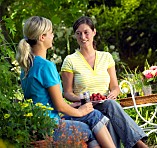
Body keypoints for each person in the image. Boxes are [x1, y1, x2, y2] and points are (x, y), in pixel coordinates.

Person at [16, 16, 116, 148]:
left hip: (39, 123)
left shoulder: (27, 66)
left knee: (93, 115)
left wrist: (77, 106)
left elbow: (45, 103)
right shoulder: (46, 66)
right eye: (51, 33)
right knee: (90, 123)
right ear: (42, 37)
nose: (53, 36)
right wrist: (80, 111)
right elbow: (60, 107)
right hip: (52, 126)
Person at [61, 16, 148, 148]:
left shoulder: (106, 57)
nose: (83, 37)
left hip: (106, 103)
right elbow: (67, 93)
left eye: (86, 32)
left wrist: (113, 93)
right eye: (78, 34)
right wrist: (82, 98)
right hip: (85, 107)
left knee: (109, 104)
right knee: (110, 106)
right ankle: (138, 144)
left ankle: (137, 144)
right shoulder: (70, 60)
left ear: (94, 32)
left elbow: (115, 87)